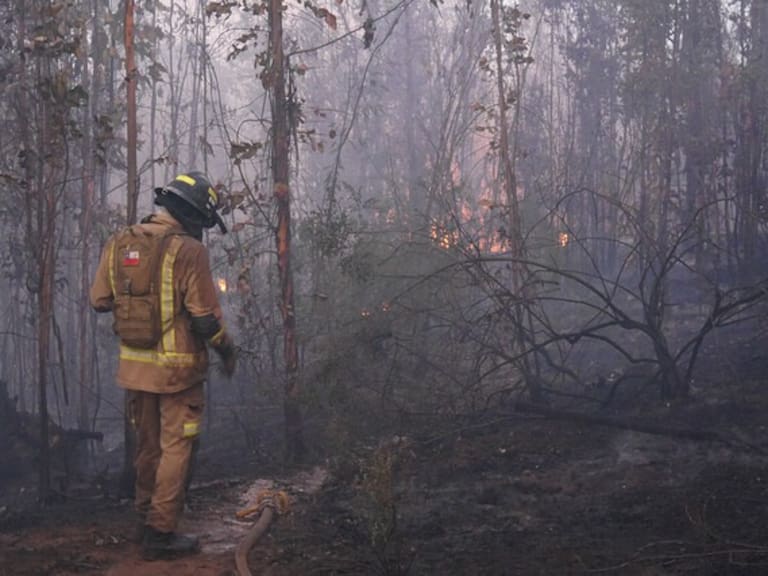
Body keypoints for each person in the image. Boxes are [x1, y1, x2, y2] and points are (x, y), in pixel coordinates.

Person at [90, 171, 237, 560]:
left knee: (147, 447)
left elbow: (99, 300)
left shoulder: (120, 241)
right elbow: (205, 319)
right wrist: (227, 350)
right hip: (179, 374)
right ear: (191, 215)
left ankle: (142, 521)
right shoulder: (190, 251)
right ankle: (161, 532)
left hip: (135, 372)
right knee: (176, 448)